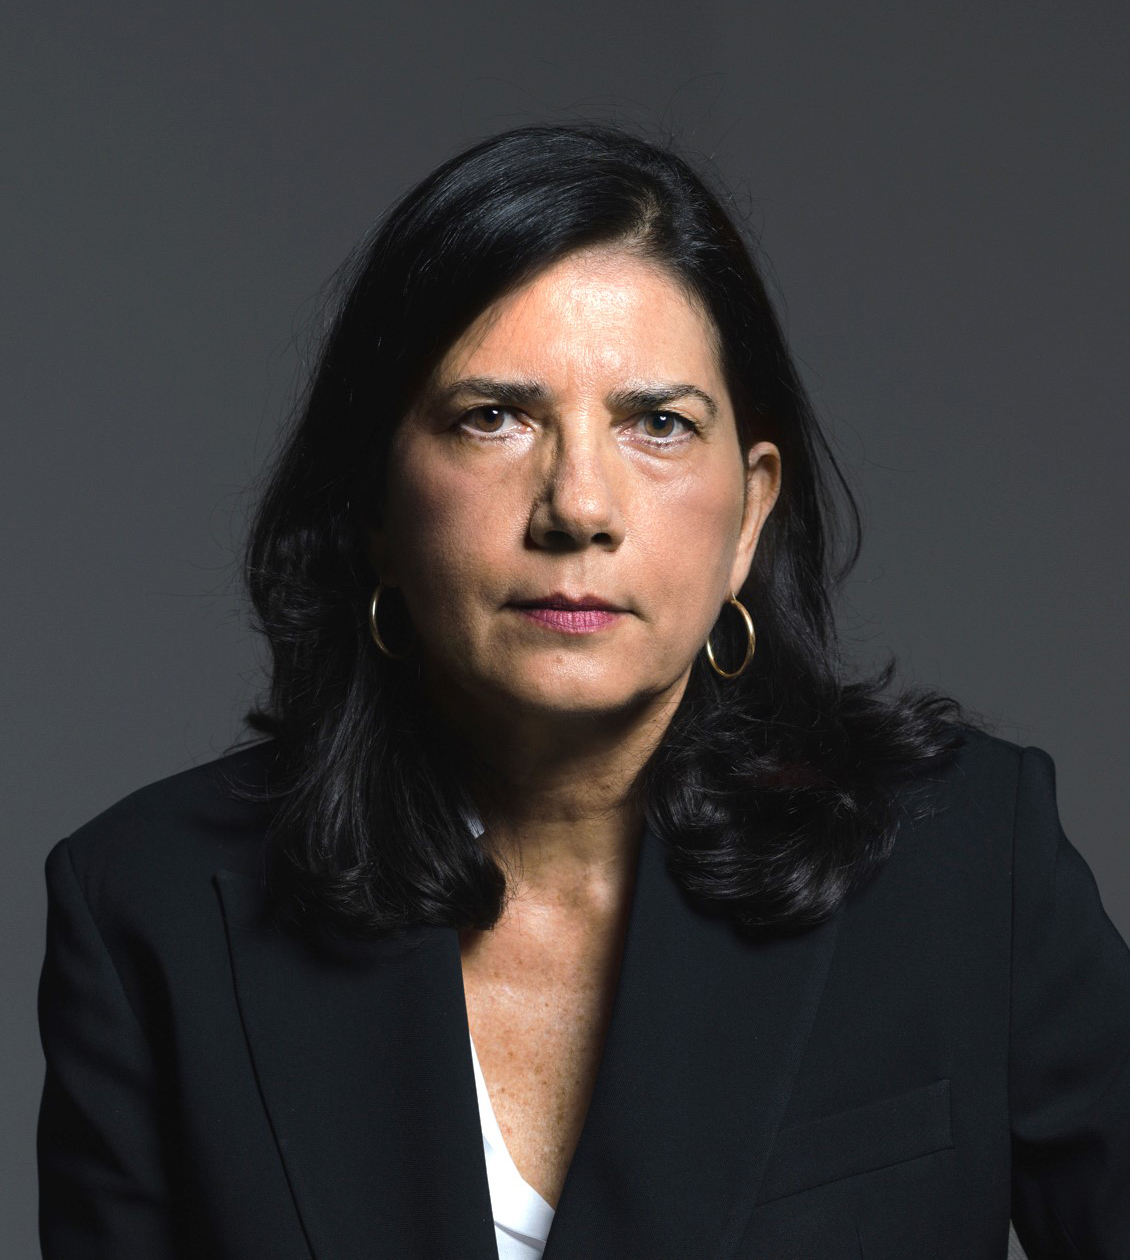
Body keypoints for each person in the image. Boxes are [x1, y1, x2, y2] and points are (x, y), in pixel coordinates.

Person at [36, 122, 1130, 1260]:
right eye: (493, 418)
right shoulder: (150, 908)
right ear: (374, 502)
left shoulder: (965, 861)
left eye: (657, 425)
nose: (578, 507)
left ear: (750, 511)